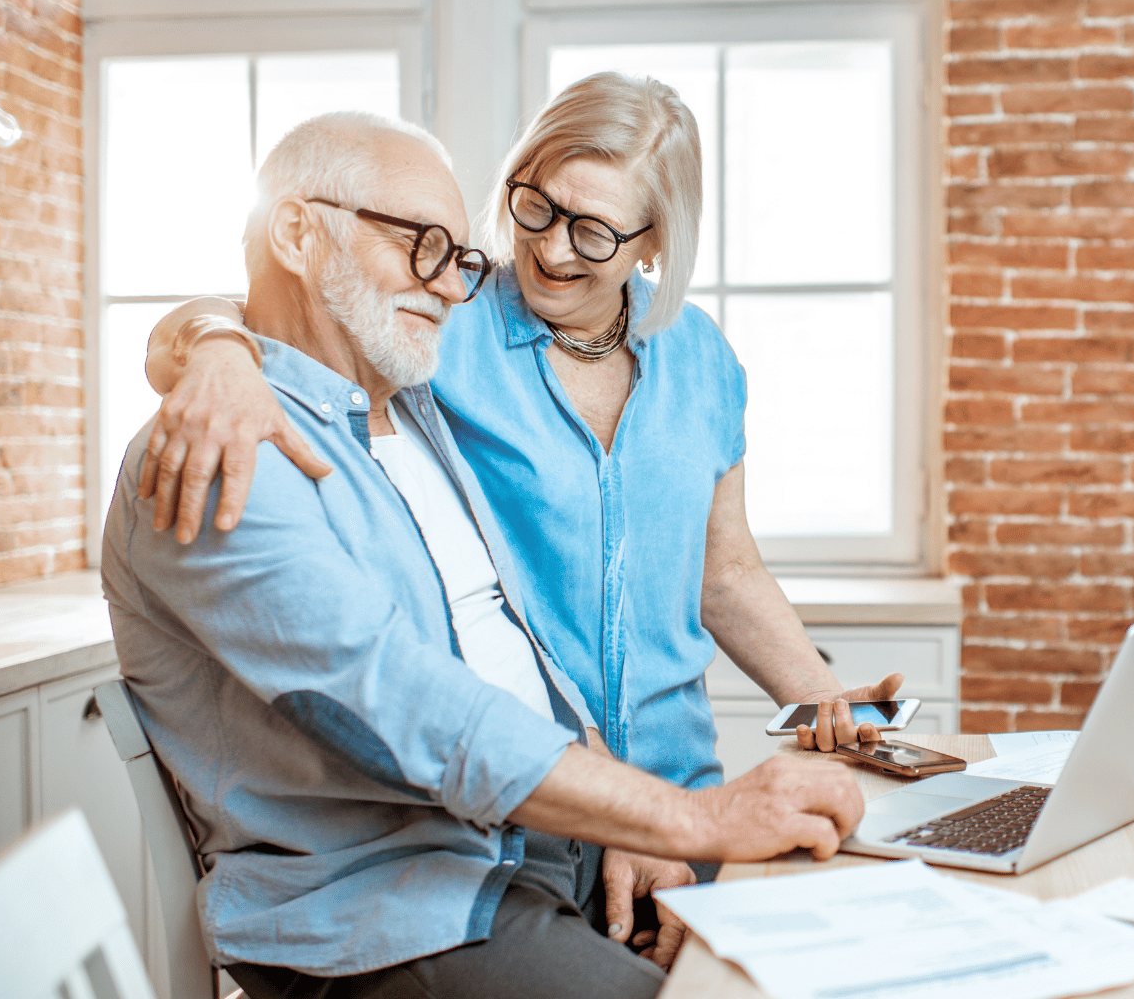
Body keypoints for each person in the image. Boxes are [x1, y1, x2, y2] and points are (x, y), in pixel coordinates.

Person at [102, 111, 864, 999]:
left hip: (565, 836)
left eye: (457, 256)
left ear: (650, 245)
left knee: (839, 946)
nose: (454, 284)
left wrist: (640, 810)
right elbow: (404, 703)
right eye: (422, 245)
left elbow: (701, 578)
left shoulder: (408, 405)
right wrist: (215, 347)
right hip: (407, 897)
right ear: (301, 230)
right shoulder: (230, 445)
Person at [142, 73, 902, 790]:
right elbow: (269, 309)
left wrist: (826, 701)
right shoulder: (445, 315)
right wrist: (217, 351)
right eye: (537, 205)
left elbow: (726, 574)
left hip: (684, 786)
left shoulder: (700, 358)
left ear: (656, 243)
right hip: (525, 792)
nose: (551, 247)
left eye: (595, 232)